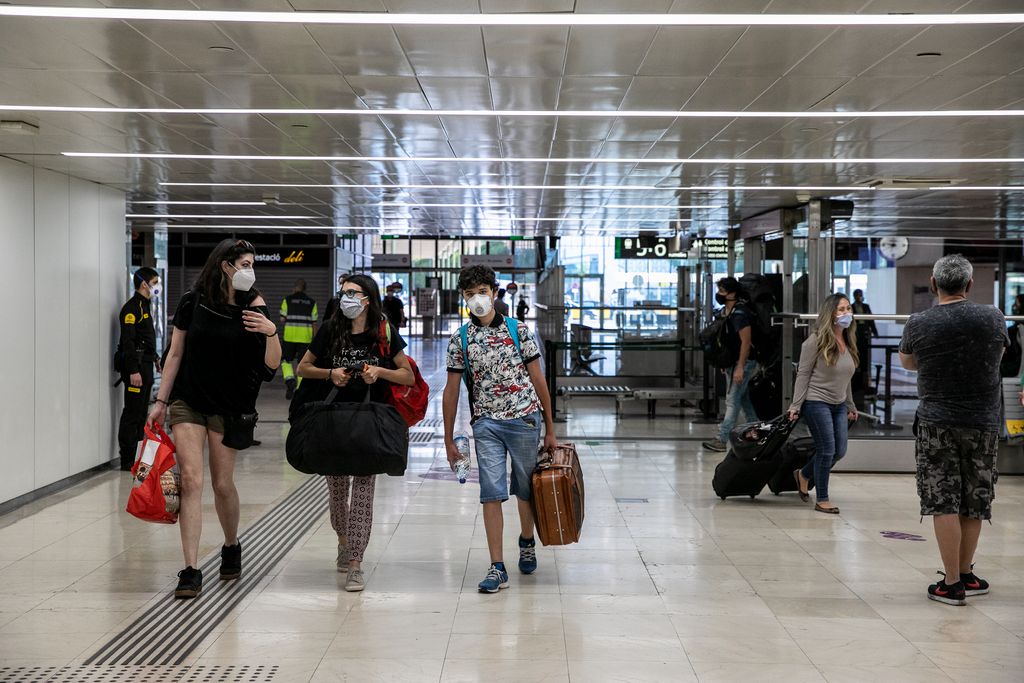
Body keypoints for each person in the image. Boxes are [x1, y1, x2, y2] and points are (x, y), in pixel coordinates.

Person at [148, 239, 282, 600]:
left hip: (229, 405)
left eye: (252, 263)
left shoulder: (252, 304)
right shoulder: (193, 301)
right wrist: (161, 400)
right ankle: (191, 569)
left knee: (223, 484)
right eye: (244, 263)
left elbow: (271, 365)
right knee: (192, 481)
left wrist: (271, 332)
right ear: (224, 265)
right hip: (189, 400)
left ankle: (231, 543)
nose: (249, 270)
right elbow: (175, 352)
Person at [442, 265, 558, 594]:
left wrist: (550, 428)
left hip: (524, 420)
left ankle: (526, 539)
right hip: (487, 424)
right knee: (491, 492)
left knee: (524, 489)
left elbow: (538, 380)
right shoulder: (460, 339)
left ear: (494, 293)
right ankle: (497, 566)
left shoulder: (518, 330)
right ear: (463, 299)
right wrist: (448, 439)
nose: (477, 299)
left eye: (482, 291)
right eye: (469, 294)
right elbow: (450, 392)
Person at [295, 274, 414, 592]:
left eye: (352, 292)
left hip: (369, 423)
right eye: (342, 292)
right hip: (333, 421)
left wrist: (381, 371)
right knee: (337, 495)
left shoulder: (384, 332)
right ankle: (344, 541)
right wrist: (330, 373)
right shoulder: (331, 329)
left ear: (367, 298)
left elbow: (408, 376)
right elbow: (303, 367)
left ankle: (355, 563)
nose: (345, 297)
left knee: (362, 495)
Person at [899, 254, 1007, 606]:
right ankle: (967, 573)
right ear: (969, 285)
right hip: (984, 423)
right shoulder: (993, 317)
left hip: (937, 424)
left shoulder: (919, 322)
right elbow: (999, 357)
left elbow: (909, 362)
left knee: (943, 501)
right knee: (975, 500)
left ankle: (951, 583)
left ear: (933, 284)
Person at [788, 294, 859, 514]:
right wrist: (795, 405)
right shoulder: (815, 341)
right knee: (827, 449)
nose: (846, 313)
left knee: (839, 451)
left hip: (838, 404)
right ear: (830, 314)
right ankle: (822, 499)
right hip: (816, 401)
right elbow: (803, 375)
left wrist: (850, 404)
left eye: (848, 308)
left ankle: (804, 474)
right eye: (841, 309)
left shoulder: (848, 341)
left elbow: (845, 378)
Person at [702, 277, 758, 453]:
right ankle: (756, 433)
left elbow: (746, 342)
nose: (719, 294)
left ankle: (721, 439)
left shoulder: (741, 313)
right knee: (744, 399)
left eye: (722, 291)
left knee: (732, 400)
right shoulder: (726, 312)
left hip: (744, 362)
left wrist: (740, 367)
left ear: (732, 293)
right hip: (732, 363)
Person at [116, 267, 160, 471]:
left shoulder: (145, 306)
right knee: (132, 413)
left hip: (147, 365)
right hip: (136, 369)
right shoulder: (131, 309)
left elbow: (147, 337)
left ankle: (138, 456)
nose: (156, 287)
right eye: (154, 283)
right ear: (144, 284)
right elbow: (128, 342)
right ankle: (126, 459)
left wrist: (156, 358)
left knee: (143, 413)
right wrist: (133, 370)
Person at [279, 279, 318, 400]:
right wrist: (315, 339)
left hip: (289, 337)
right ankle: (300, 389)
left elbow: (282, 319)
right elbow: (314, 323)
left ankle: (290, 380)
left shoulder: (287, 300)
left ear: (295, 287)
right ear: (305, 288)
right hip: (305, 338)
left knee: (286, 360)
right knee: (303, 363)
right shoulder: (312, 302)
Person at [850, 289, 878, 410]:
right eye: (857, 295)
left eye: (860, 295)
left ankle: (864, 383)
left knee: (865, 357)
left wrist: (875, 332)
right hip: (856, 333)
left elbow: (870, 320)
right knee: (856, 356)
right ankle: (856, 381)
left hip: (864, 332)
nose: (859, 297)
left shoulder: (866, 306)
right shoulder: (851, 307)